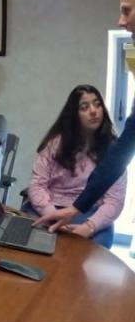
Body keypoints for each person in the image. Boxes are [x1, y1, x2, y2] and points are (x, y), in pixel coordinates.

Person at [38, 0, 135, 233]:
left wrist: (87, 220)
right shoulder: (57, 142)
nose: (120, 21)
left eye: (127, 11)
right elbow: (127, 144)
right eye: (84, 106)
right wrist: (76, 208)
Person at [24, 85, 125, 249]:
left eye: (98, 104)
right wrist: (51, 215)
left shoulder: (113, 151)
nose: (93, 111)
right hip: (50, 207)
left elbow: (115, 200)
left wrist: (89, 227)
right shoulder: (55, 143)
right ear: (74, 115)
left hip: (91, 213)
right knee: (26, 246)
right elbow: (37, 185)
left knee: (88, 259)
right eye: (85, 107)